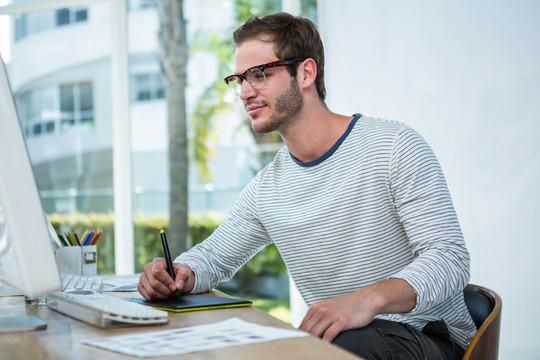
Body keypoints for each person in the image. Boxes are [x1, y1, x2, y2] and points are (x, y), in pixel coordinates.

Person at [138, 12, 476, 359]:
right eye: (239, 78)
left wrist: (367, 299)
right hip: (344, 341)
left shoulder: (394, 147)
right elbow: (210, 257)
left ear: (306, 72)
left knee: (336, 347)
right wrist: (177, 273)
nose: (245, 92)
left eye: (259, 74)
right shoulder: (267, 189)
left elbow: (449, 258)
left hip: (429, 337)